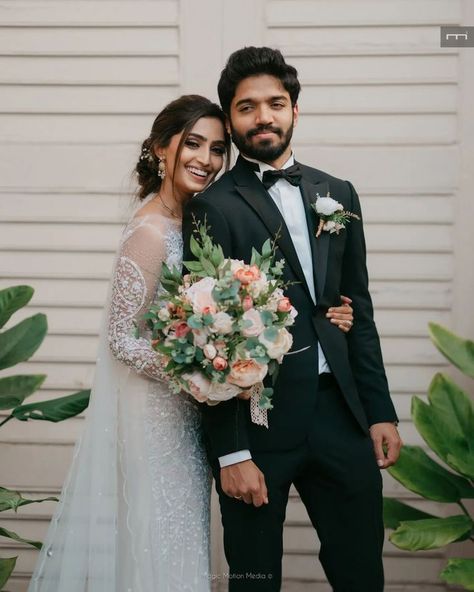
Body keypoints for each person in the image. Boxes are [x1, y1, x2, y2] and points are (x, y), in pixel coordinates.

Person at [28, 94, 354, 592]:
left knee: (188, 540)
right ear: (162, 148)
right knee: (164, 541)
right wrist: (206, 374)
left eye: (218, 149)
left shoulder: (201, 218)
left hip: (193, 410)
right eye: (193, 144)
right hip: (156, 415)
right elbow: (122, 338)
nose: (207, 159)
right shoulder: (150, 230)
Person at [182, 47, 403, 591]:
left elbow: (360, 309)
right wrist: (231, 451)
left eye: (275, 103)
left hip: (342, 416)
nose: (263, 117)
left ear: (294, 111)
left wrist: (380, 411)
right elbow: (207, 336)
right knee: (255, 578)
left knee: (360, 572)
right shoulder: (214, 206)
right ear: (230, 120)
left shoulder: (338, 194)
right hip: (260, 421)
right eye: (246, 107)